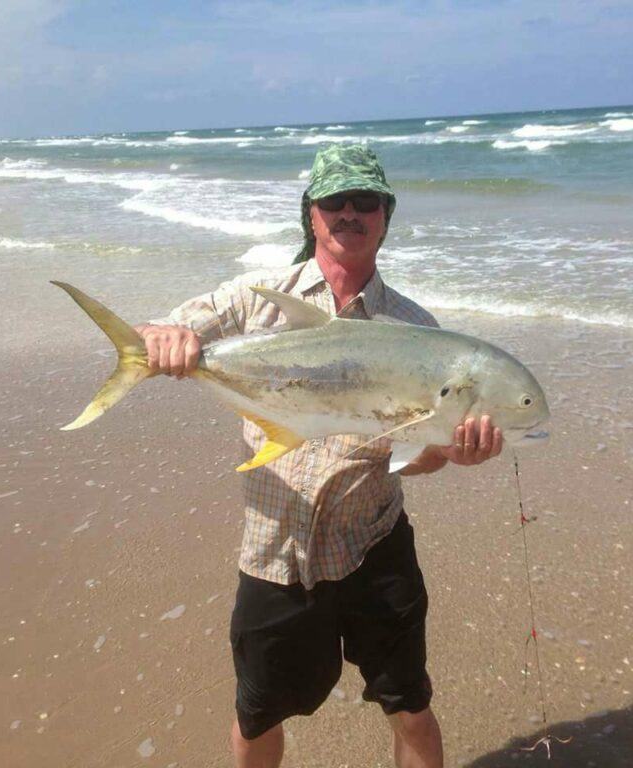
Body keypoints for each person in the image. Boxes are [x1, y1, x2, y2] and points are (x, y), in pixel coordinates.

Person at [136, 145, 502, 768]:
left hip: (373, 542)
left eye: (366, 202)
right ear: (311, 214)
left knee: (410, 705)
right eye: (335, 201)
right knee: (259, 714)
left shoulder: (417, 333)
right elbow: (162, 330)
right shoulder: (258, 298)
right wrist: (162, 339)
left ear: (386, 216)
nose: (349, 213)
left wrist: (448, 453)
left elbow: (416, 458)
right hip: (276, 550)